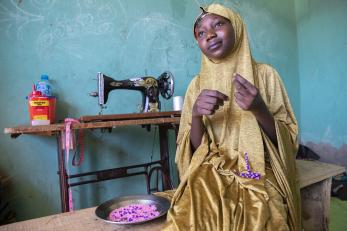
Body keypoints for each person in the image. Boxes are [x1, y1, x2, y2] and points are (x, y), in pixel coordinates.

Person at [159, 3, 301, 231]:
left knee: (266, 216)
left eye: (218, 24)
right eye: (201, 32)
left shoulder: (265, 75)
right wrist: (195, 116)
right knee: (189, 216)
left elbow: (288, 142)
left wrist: (259, 109)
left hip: (259, 166)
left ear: (236, 27)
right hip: (212, 167)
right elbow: (192, 151)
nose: (210, 35)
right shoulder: (196, 86)